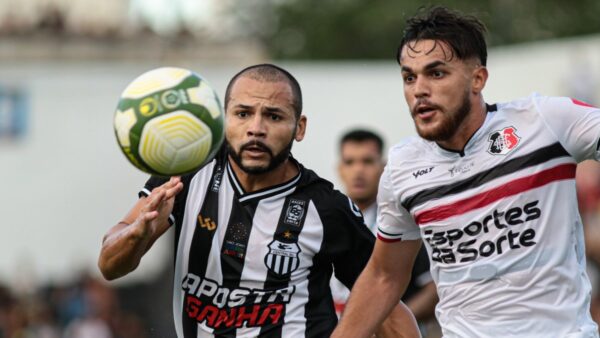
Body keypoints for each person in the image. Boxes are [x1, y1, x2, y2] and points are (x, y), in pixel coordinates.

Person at [332, 6, 600, 338]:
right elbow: (385, 277)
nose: (419, 90)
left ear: (478, 79)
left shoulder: (545, 120)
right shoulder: (402, 168)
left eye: (437, 73)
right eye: (409, 76)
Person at [98, 64, 419, 338]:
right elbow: (110, 266)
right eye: (243, 114)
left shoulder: (326, 208)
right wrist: (136, 236)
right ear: (224, 120)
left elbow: (387, 308)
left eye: (274, 116)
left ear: (299, 127)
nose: (256, 129)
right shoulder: (185, 175)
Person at [331, 129, 438, 330]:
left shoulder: (400, 219)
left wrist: (386, 326)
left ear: (382, 167)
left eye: (367, 161)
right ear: (339, 169)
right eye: (350, 162)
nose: (358, 171)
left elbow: (432, 291)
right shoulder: (324, 219)